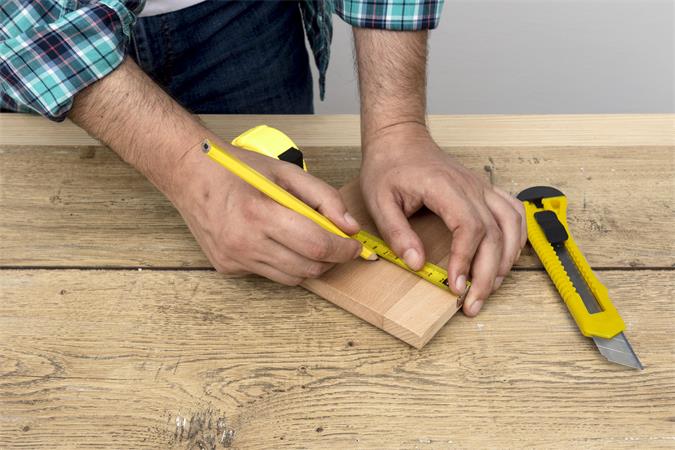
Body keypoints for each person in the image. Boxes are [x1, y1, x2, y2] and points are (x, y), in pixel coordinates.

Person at [0, 0, 526, 317]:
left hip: (245, 20)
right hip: (31, 51)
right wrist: (183, 164)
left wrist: (397, 127)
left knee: (282, 235)